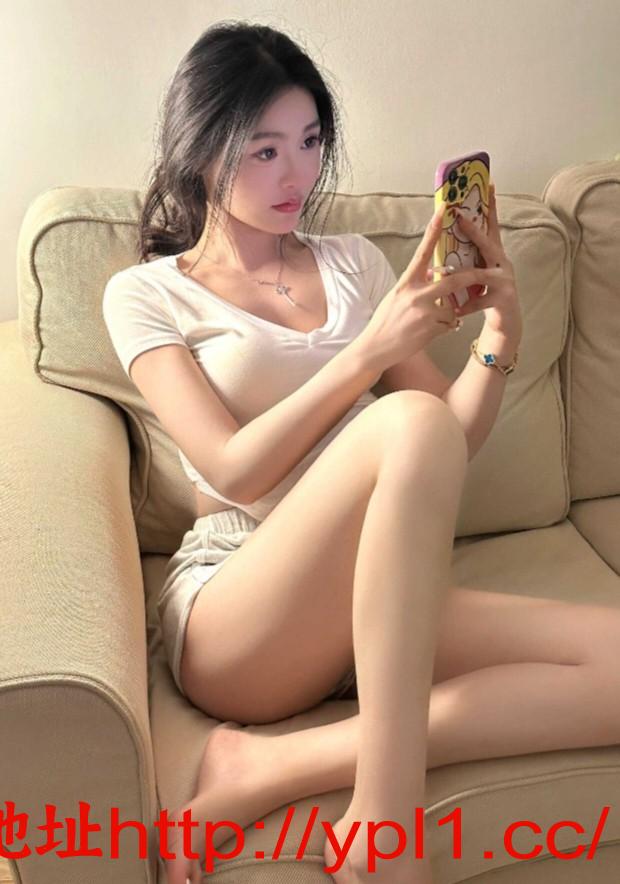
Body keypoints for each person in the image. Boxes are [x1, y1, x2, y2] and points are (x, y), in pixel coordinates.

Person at [102, 21, 620, 884]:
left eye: (309, 143)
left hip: (377, 595)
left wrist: (500, 335)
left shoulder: (352, 266)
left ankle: (268, 766)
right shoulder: (149, 294)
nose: (295, 175)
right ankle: (385, 823)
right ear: (202, 151)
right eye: (264, 150)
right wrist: (367, 354)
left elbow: (444, 442)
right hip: (241, 609)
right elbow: (231, 468)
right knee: (405, 418)